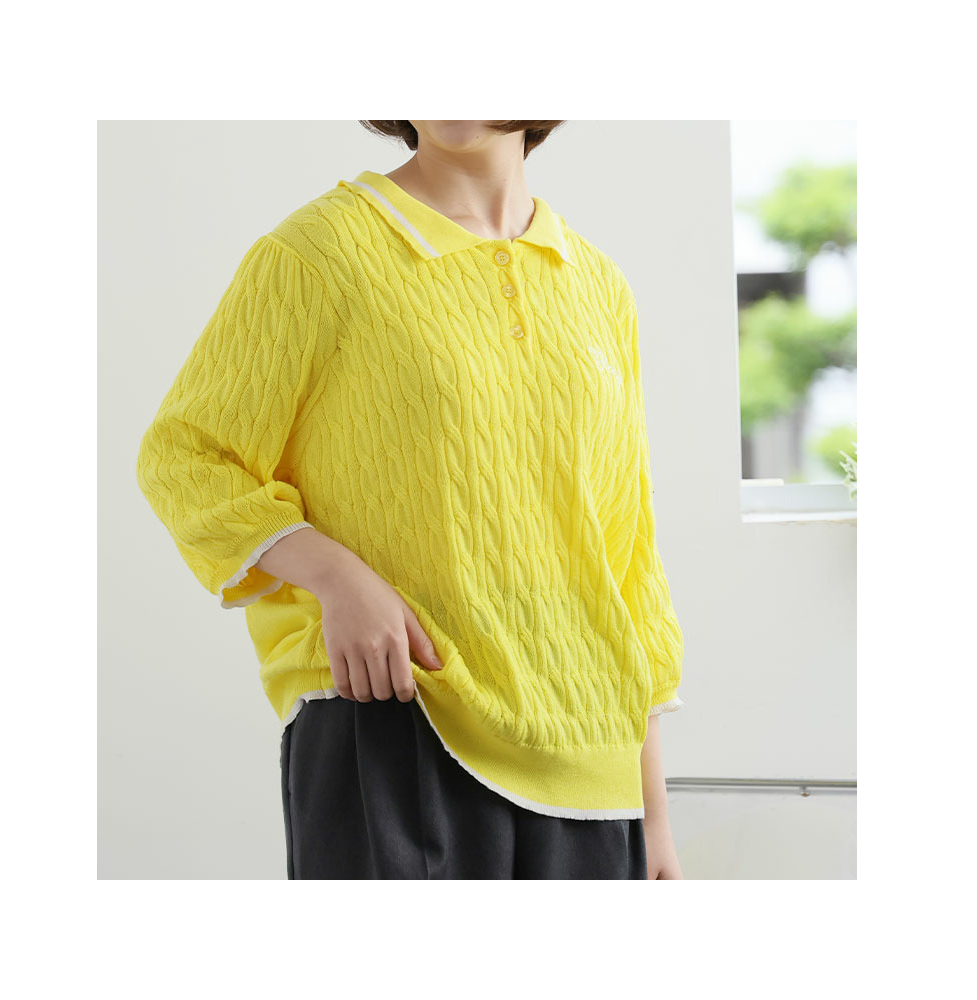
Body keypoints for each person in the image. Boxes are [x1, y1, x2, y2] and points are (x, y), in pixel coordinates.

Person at [136, 120, 686, 879]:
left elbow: (626, 554)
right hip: (395, 711)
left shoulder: (596, 282)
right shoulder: (320, 253)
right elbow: (187, 454)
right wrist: (335, 576)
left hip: (589, 755)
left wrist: (655, 817)